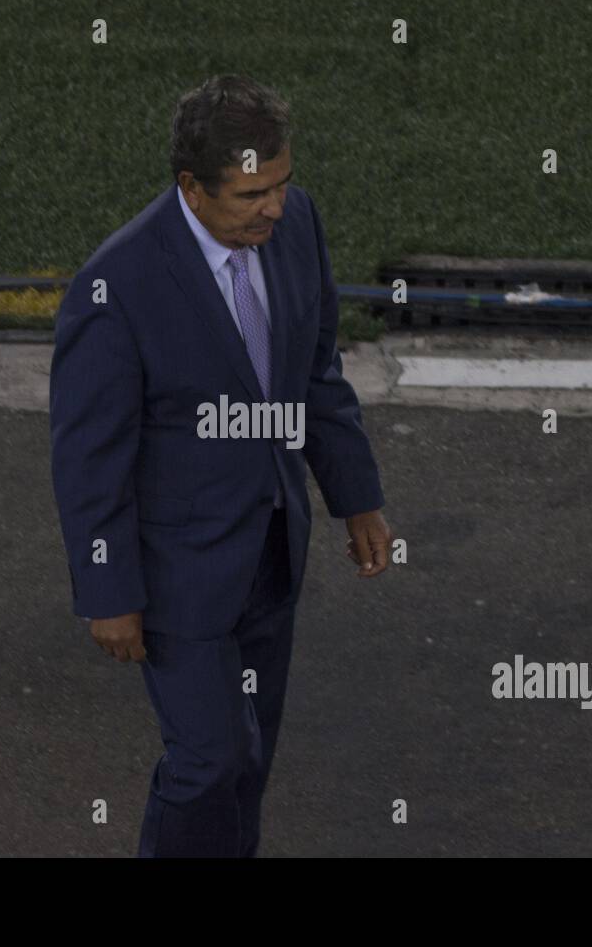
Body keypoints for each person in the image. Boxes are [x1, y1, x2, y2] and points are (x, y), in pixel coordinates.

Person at [50, 73, 393, 857]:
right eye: (249, 195)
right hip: (179, 573)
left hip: (273, 551)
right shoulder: (118, 284)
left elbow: (316, 372)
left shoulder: (296, 225)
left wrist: (356, 496)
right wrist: (108, 590)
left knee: (249, 763)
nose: (271, 207)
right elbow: (88, 454)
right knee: (209, 761)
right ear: (190, 189)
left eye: (280, 184)